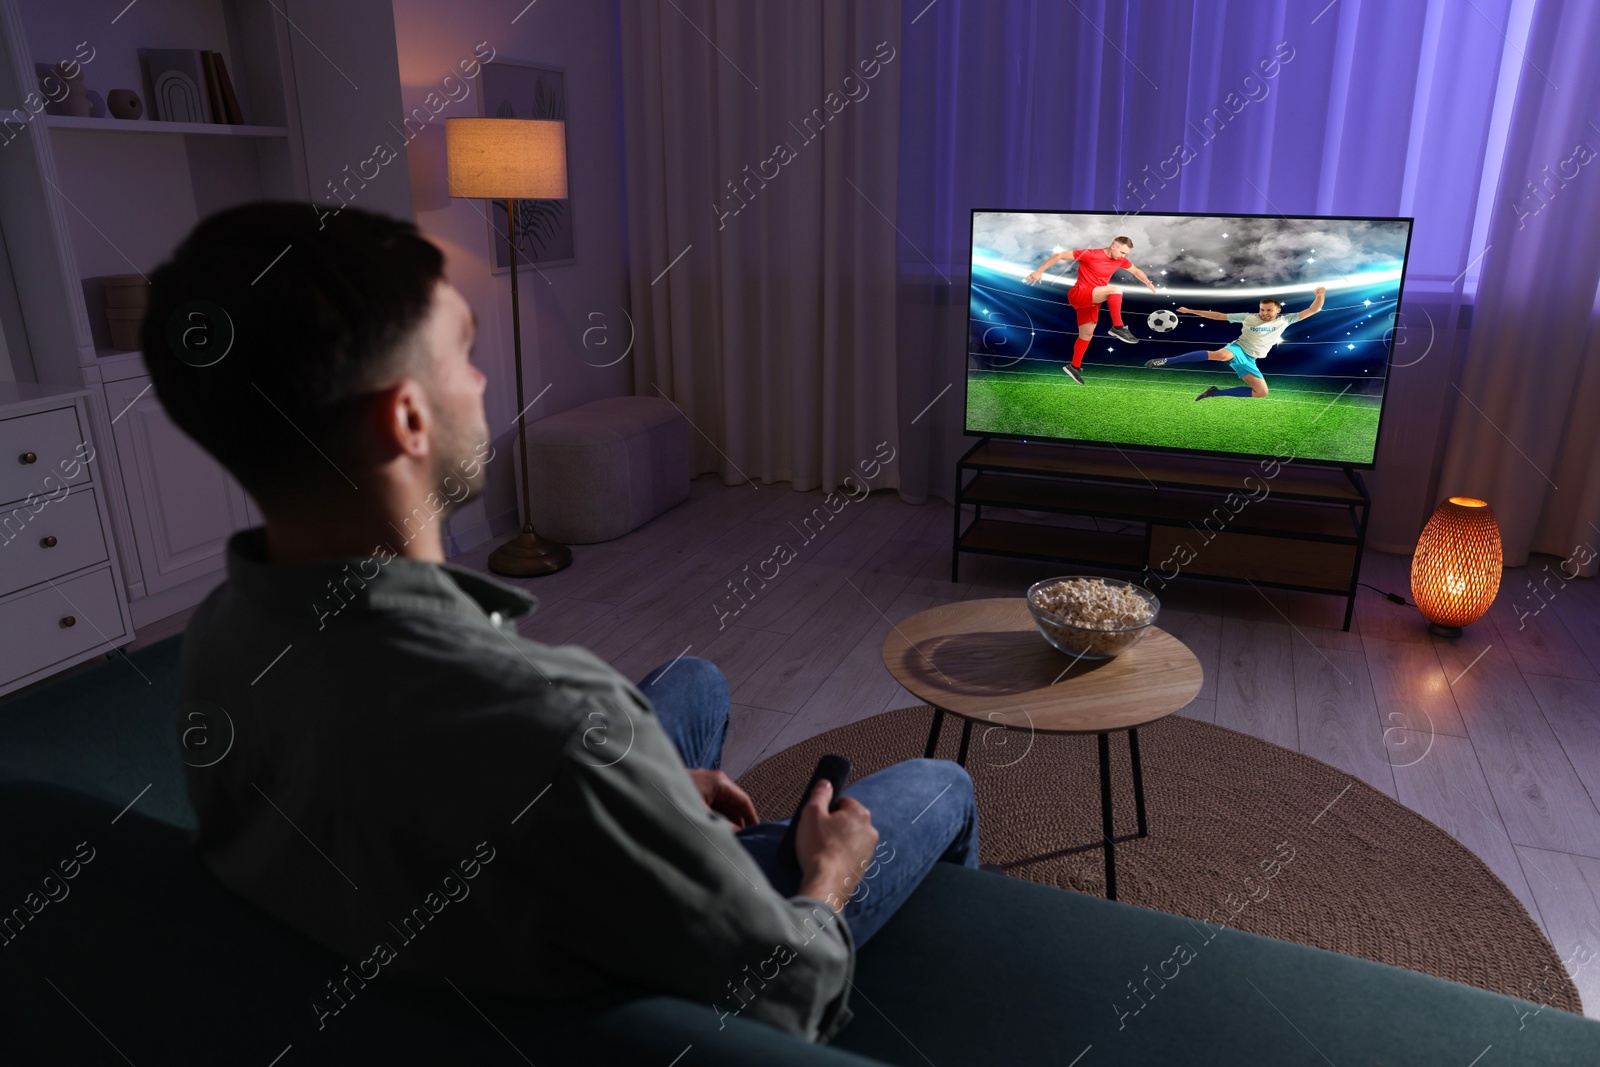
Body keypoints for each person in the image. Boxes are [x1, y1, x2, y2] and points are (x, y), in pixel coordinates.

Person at [142, 203, 979, 1045]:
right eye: (464, 354)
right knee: (943, 785)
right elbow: (776, 989)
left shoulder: (219, 630)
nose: (480, 381)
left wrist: (637, 795)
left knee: (696, 680)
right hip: (631, 973)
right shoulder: (561, 720)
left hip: (430, 898)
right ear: (406, 419)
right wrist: (827, 876)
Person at [1142, 288, 1326, 400]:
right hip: (1237, 348)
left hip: (1250, 359)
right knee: (1222, 355)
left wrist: (1320, 294)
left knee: (1261, 392)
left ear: (1278, 310)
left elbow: (1314, 309)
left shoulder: (1286, 320)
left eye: (1269, 310)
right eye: (1262, 309)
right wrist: (1191, 311)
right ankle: (1166, 360)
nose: (1264, 313)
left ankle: (1214, 393)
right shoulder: (1248, 317)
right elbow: (1218, 316)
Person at [1023, 236, 1158, 384]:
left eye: (1126, 254)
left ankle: (1074, 367)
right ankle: (1118, 327)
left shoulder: (1120, 260)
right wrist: (1039, 271)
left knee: (1086, 335)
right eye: (1122, 252)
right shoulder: (1091, 254)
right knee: (1116, 290)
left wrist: (1147, 282)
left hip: (1093, 300)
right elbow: (1060, 255)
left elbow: (1136, 271)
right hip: (1080, 293)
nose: (1123, 256)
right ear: (1113, 246)